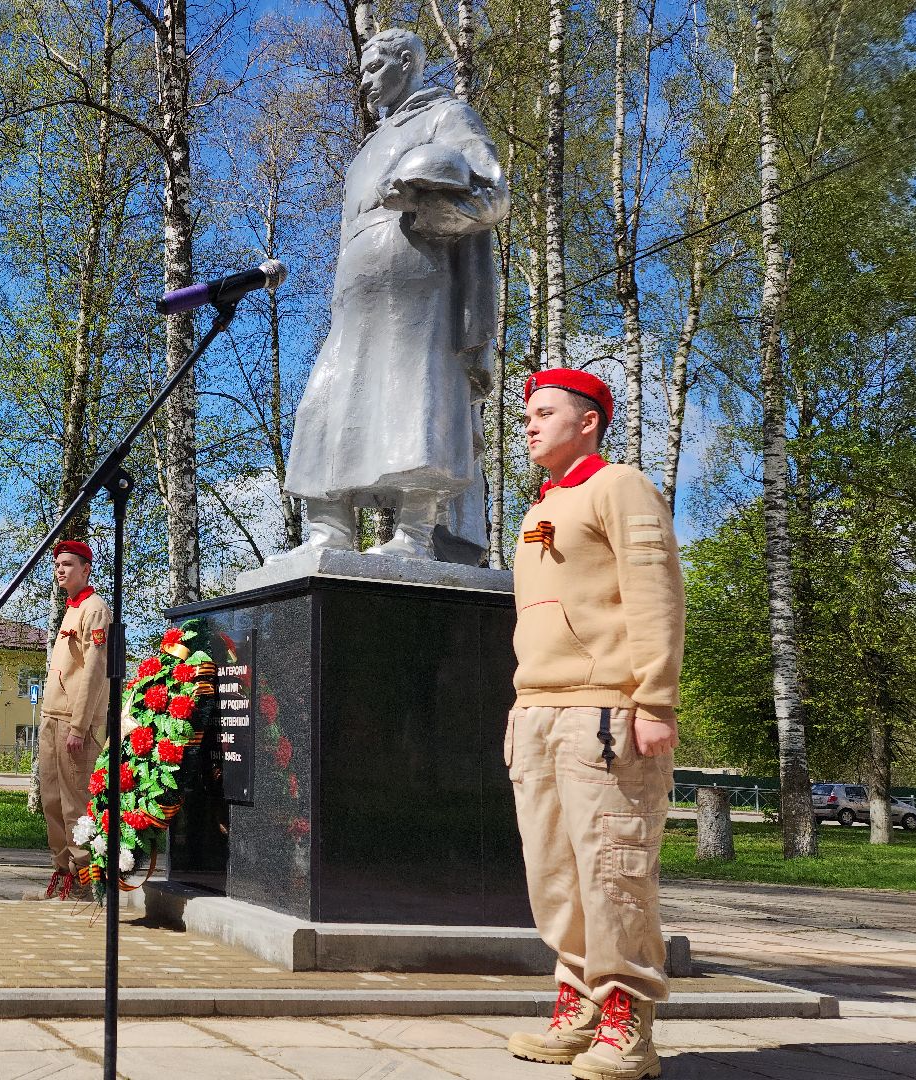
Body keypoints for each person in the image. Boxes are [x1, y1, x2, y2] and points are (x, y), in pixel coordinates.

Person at [503, 368, 683, 1080]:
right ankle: (576, 1004)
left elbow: (655, 592)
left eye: (544, 412)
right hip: (538, 711)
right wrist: (520, 708)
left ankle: (627, 1017)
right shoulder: (541, 506)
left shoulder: (618, 486)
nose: (529, 425)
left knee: (613, 867)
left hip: (605, 710)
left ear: (587, 422)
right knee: (553, 873)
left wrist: (655, 700)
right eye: (526, 416)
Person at [278, 28, 510, 565]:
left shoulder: (446, 117)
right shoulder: (369, 146)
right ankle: (329, 529)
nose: (363, 81)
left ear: (406, 61)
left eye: (373, 67)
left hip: (421, 281)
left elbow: (493, 196)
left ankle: (415, 531)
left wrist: (421, 207)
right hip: (356, 293)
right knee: (323, 403)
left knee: (416, 396)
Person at [38, 540, 111, 901]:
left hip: (74, 724)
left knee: (76, 803)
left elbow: (96, 672)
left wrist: (81, 727)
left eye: (68, 564)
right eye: (57, 564)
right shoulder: (71, 608)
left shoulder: (95, 609)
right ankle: (63, 872)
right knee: (51, 799)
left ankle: (84, 878)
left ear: (86, 569)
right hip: (52, 717)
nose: (61, 570)